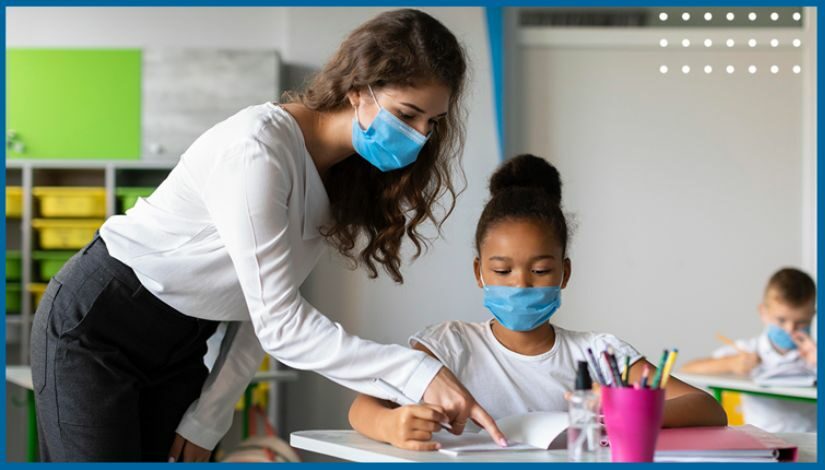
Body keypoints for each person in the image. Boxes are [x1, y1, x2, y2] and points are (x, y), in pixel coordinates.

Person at [30, 9, 506, 462]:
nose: (421, 136)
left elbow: (261, 309)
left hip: (180, 343)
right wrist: (417, 372)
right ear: (359, 89)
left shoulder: (337, 177)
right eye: (408, 114)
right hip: (98, 325)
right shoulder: (257, 149)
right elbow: (281, 324)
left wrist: (206, 420)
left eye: (432, 122)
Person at [348, 154, 727, 450]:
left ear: (565, 272)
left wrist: (626, 411)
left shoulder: (600, 355)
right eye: (502, 270)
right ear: (479, 272)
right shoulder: (450, 345)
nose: (522, 284)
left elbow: (708, 408)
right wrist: (390, 426)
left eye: (541, 271)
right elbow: (362, 408)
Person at [682, 268, 817, 432]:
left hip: (813, 441)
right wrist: (731, 364)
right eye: (781, 320)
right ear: (763, 312)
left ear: (812, 315)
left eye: (801, 322)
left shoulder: (816, 352)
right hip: (761, 441)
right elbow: (688, 369)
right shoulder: (750, 349)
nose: (790, 329)